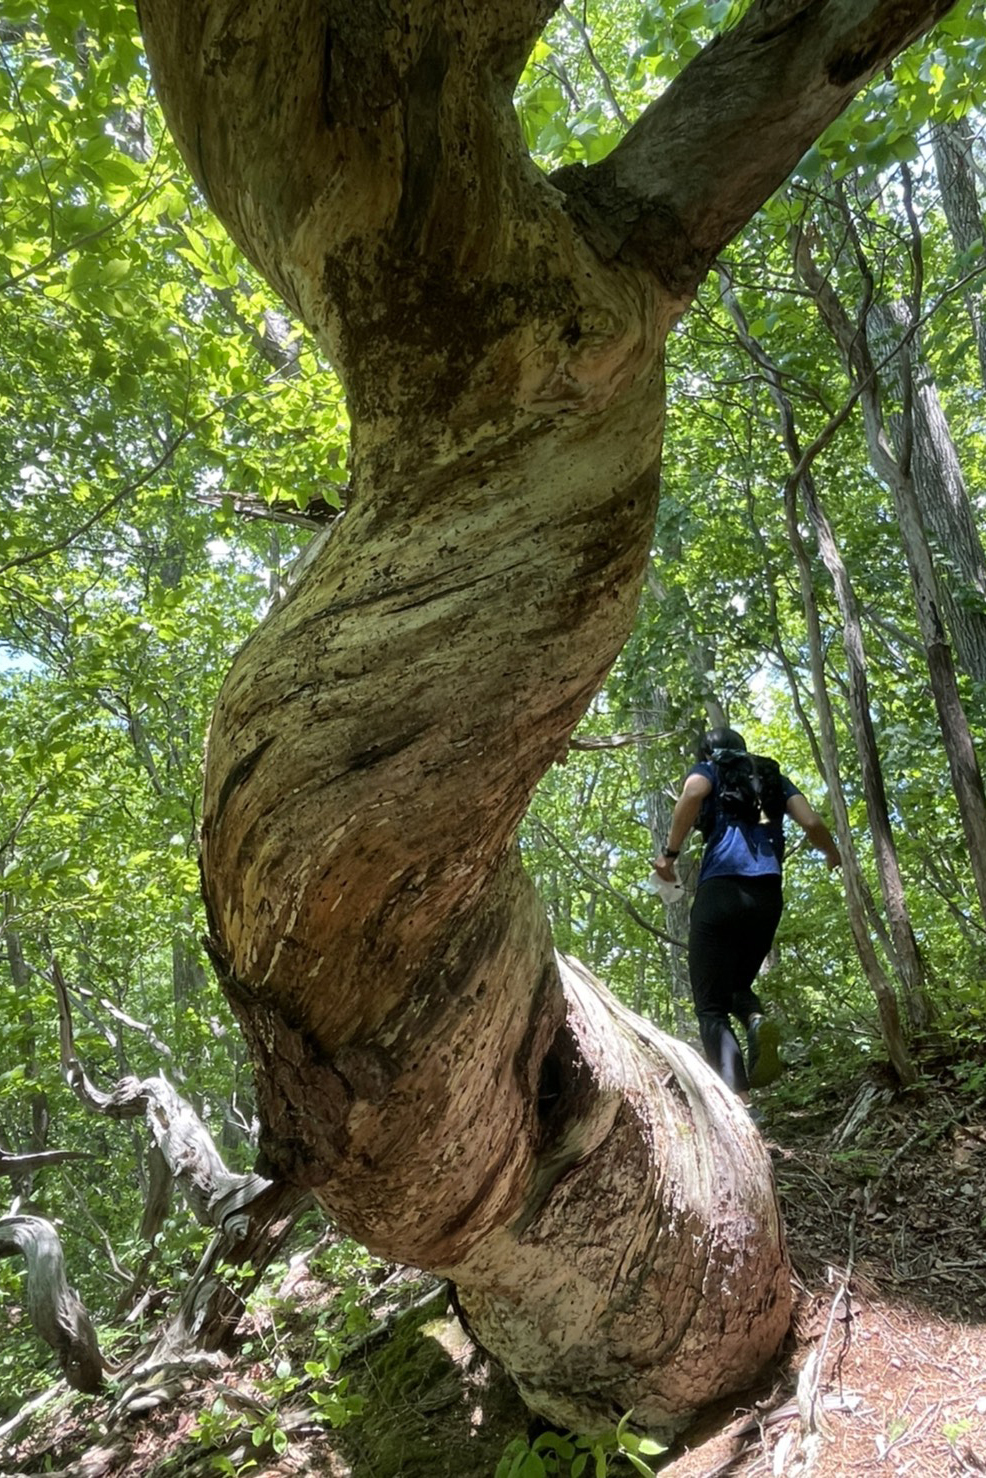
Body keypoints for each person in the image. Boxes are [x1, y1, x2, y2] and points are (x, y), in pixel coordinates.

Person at [652, 727, 841, 1106]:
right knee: (736, 986)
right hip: (767, 897)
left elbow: (691, 793)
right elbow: (814, 823)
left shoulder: (709, 770)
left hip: (720, 891)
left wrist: (669, 855)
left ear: (707, 754)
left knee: (710, 1006)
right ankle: (755, 1020)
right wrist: (831, 854)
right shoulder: (772, 778)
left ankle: (739, 1104)